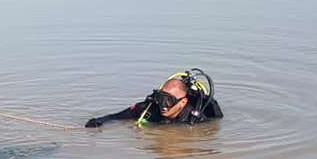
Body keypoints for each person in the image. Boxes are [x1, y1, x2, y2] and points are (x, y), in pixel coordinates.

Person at [84, 68, 223, 127]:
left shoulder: (197, 117)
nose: (163, 105)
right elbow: (118, 116)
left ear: (183, 102)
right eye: (160, 97)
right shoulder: (150, 108)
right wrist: (100, 121)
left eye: (169, 100)